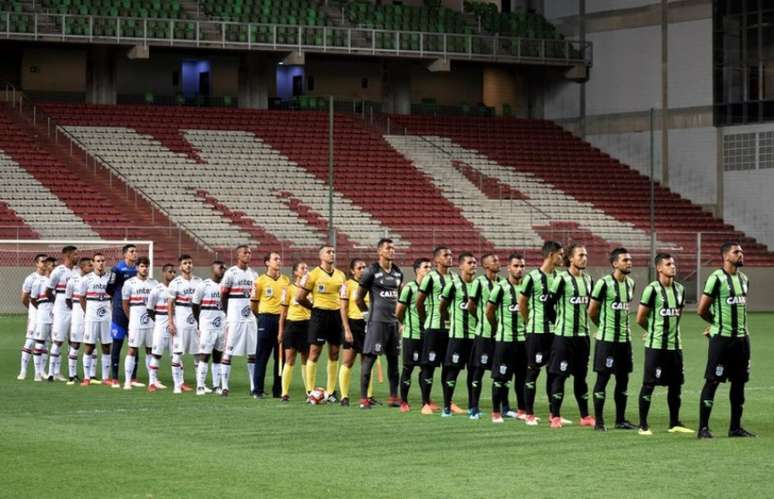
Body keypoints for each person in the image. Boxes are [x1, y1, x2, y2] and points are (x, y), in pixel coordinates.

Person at [696, 241, 756, 438]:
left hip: (742, 340)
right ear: (725, 256)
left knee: (739, 383)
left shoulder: (744, 279)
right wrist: (716, 324)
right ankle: (703, 428)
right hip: (722, 340)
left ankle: (735, 428)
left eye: (741, 250)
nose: (741, 253)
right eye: (736, 251)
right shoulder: (716, 278)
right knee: (713, 381)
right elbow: (702, 309)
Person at [636, 253, 692, 436]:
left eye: (673, 264)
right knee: (649, 384)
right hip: (656, 347)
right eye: (668, 264)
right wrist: (652, 331)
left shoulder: (680, 290)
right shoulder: (651, 290)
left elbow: (678, 315)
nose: (673, 267)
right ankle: (643, 425)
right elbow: (640, 318)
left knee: (676, 386)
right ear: (659, 268)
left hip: (675, 346)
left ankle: (674, 422)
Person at [588, 247, 637, 431]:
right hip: (607, 341)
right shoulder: (603, 283)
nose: (629, 262)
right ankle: (599, 422)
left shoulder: (631, 283)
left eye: (630, 260)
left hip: (624, 340)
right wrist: (602, 327)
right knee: (603, 379)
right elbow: (592, 311)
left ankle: (620, 420)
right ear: (615, 263)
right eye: (625, 260)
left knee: (623, 380)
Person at [547, 243, 595, 429]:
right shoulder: (561, 279)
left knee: (581, 377)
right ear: (571, 258)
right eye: (580, 255)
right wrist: (558, 323)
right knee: (560, 376)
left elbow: (591, 307)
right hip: (564, 337)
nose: (584, 258)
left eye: (586, 255)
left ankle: (585, 416)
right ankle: (555, 416)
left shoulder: (589, 280)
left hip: (583, 337)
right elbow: (548, 305)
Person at [518, 240, 563, 426]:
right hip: (536, 332)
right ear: (551, 255)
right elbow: (522, 303)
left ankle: (554, 414)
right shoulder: (532, 277)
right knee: (532, 372)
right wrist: (530, 322)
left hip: (556, 333)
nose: (562, 257)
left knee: (553, 373)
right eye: (560, 254)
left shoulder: (561, 277)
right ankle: (529, 414)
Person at [357, 238, 404, 410]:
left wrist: (400, 319)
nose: (392, 250)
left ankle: (393, 397)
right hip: (377, 322)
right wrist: (367, 315)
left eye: (393, 248)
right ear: (379, 251)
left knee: (393, 361)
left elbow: (400, 298)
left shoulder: (398, 272)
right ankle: (363, 399)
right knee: (369, 359)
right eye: (388, 248)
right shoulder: (371, 271)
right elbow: (358, 297)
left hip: (393, 323)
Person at [296, 245, 346, 403]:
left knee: (334, 352)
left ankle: (331, 392)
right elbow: (299, 297)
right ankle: (310, 391)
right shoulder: (313, 275)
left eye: (333, 252)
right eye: (328, 252)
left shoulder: (340, 275)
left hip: (336, 315)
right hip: (319, 315)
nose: (332, 254)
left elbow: (344, 297)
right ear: (321, 256)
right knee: (314, 352)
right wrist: (314, 308)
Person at [487, 253, 527, 423]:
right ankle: (496, 412)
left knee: (522, 379)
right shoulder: (500, 288)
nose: (519, 269)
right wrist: (497, 328)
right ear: (509, 268)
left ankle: (521, 410)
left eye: (522, 266)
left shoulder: (527, 287)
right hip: (505, 341)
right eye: (516, 266)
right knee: (501, 378)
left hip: (523, 341)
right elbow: (489, 311)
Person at [439, 252, 478, 418]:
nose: (473, 265)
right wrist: (448, 319)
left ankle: (473, 407)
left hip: (475, 336)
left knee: (474, 373)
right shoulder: (453, 285)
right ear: (461, 266)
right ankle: (447, 407)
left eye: (475, 263)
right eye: (470, 263)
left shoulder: (478, 285)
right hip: (458, 336)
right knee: (452, 372)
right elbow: (442, 306)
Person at [415, 246, 454, 414]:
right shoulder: (430, 277)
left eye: (451, 255)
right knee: (429, 366)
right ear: (437, 260)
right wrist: (426, 320)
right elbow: (419, 302)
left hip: (450, 330)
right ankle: (425, 403)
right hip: (433, 328)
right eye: (446, 255)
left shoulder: (454, 277)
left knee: (448, 366)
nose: (449, 257)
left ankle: (448, 403)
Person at [220, 245, 259, 396]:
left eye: (250, 253)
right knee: (228, 352)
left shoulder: (254, 274)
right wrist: (228, 313)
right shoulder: (231, 273)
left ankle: (253, 386)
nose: (248, 255)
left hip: (250, 319)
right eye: (245, 253)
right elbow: (223, 295)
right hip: (234, 319)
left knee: (253, 353)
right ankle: (224, 386)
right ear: (238, 255)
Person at [468, 253, 503, 419]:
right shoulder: (479, 282)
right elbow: (471, 306)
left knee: (501, 372)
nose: (498, 262)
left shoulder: (503, 283)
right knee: (479, 370)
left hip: (500, 336)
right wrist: (482, 320)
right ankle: (474, 407)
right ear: (486, 265)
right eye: (494, 260)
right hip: (483, 334)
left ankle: (505, 406)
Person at [396, 257, 432, 412]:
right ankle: (404, 401)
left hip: (428, 335)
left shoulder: (432, 288)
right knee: (408, 368)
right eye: (426, 267)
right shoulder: (410, 288)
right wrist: (405, 324)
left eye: (430, 267)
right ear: (417, 270)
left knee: (426, 368)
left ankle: (426, 402)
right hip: (412, 335)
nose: (429, 270)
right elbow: (399, 311)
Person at [251, 251, 289, 399]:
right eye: (275, 259)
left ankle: (277, 390)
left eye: (279, 259)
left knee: (280, 358)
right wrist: (261, 317)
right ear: (267, 262)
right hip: (266, 319)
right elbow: (253, 304)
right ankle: (258, 390)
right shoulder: (259, 281)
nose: (278, 261)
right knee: (262, 356)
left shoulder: (285, 280)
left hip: (282, 320)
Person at [121, 257, 157, 390]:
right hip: (136, 322)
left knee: (151, 350)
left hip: (150, 322)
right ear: (137, 267)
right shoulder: (129, 283)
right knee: (132, 349)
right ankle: (127, 381)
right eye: (142, 266)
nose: (145, 268)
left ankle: (152, 381)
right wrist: (131, 319)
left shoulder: (154, 283)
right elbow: (125, 304)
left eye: (147, 266)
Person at [338, 258, 371, 406]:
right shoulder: (347, 285)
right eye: (359, 268)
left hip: (368, 324)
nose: (363, 270)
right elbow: (343, 309)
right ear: (352, 271)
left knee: (367, 362)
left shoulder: (371, 285)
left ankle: (367, 396)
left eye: (364, 267)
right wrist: (347, 329)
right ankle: (344, 396)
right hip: (353, 324)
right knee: (348, 361)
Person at [167, 254, 201, 394]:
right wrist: (170, 322)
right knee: (177, 354)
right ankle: (177, 384)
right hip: (180, 323)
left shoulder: (199, 282)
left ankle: (201, 384)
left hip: (195, 324)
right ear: (180, 266)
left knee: (198, 354)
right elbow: (169, 304)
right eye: (185, 263)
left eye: (190, 262)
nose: (188, 265)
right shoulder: (175, 283)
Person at [278, 261, 311, 402]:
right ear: (296, 272)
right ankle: (284, 392)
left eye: (307, 268)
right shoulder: (289, 289)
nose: (306, 270)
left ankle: (309, 390)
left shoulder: (311, 289)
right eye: (302, 268)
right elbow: (283, 314)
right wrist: (280, 332)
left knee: (306, 359)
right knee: (290, 359)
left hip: (307, 325)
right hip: (292, 325)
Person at [192, 261, 226, 396]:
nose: (223, 270)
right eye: (220, 268)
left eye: (224, 268)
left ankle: (216, 386)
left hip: (222, 325)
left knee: (218, 357)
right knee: (204, 355)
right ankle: (200, 386)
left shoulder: (226, 286)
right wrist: (199, 322)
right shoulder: (203, 285)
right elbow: (195, 305)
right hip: (207, 325)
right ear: (213, 270)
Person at [106, 244, 138, 387]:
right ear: (125, 254)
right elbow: (109, 289)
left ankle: (133, 378)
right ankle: (115, 378)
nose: (135, 253)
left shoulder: (138, 269)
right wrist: (117, 301)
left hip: (134, 312)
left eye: (135, 251)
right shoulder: (117, 269)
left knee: (135, 344)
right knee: (117, 344)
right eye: (132, 251)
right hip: (119, 312)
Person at [79, 253, 112, 385]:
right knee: (89, 346)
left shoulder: (110, 278)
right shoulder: (86, 279)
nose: (101, 263)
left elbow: (114, 296)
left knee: (106, 346)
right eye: (98, 261)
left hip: (106, 317)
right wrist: (87, 312)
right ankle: (87, 378)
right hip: (91, 317)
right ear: (93, 263)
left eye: (103, 261)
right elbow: (81, 297)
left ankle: (105, 378)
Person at [46, 245, 78, 382]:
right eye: (75, 254)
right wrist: (58, 303)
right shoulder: (58, 271)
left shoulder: (77, 272)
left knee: (74, 341)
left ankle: (72, 373)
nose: (77, 256)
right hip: (61, 309)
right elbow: (48, 291)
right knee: (58, 340)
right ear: (68, 256)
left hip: (75, 309)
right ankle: (51, 373)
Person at [146, 264, 176, 392]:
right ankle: (152, 382)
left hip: (175, 324)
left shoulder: (177, 287)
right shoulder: (157, 289)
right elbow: (149, 308)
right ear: (164, 273)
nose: (173, 274)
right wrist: (158, 320)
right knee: (157, 354)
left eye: (174, 272)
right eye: (170, 271)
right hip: (161, 324)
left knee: (176, 354)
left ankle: (179, 383)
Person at [18, 254, 47, 381]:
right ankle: (23, 371)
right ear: (36, 263)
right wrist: (32, 309)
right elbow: (24, 298)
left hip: (47, 314)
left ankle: (41, 371)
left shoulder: (50, 278)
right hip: (35, 314)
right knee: (30, 341)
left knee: (45, 343)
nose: (45, 264)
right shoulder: (31, 278)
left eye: (46, 261)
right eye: (42, 261)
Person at [65, 257, 93, 384]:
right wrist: (76, 311)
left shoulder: (94, 279)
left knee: (91, 344)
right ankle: (72, 374)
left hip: (91, 314)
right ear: (82, 267)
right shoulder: (73, 280)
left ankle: (91, 375)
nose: (92, 267)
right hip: (77, 314)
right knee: (75, 344)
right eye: (89, 265)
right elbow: (67, 298)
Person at [31, 257, 56, 382]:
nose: (53, 267)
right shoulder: (38, 282)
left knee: (50, 343)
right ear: (46, 266)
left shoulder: (56, 282)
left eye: (54, 265)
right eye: (51, 265)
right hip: (43, 316)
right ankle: (37, 373)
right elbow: (33, 299)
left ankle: (43, 370)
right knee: (39, 343)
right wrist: (42, 310)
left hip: (55, 316)